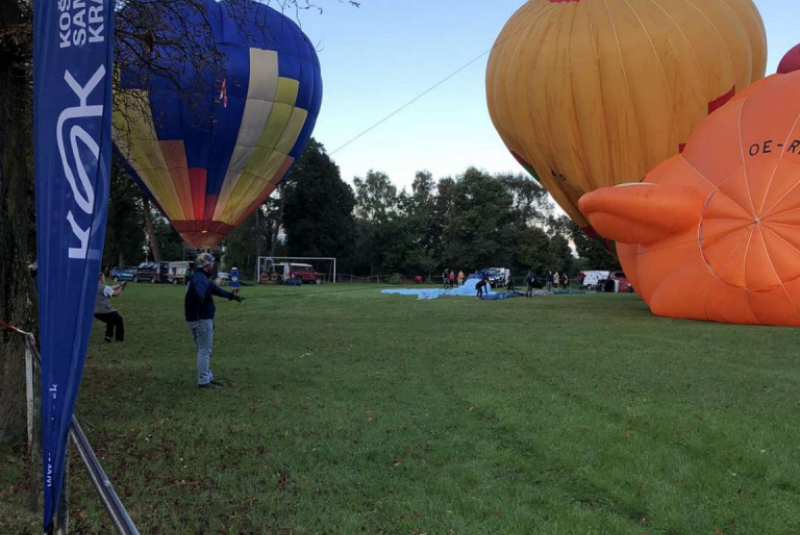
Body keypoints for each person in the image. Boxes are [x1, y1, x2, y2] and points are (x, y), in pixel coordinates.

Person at [185, 253, 244, 389]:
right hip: (201, 319)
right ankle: (204, 381)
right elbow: (199, 295)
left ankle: (208, 377)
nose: (213, 265)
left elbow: (216, 290)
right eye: (211, 263)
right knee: (205, 351)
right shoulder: (201, 279)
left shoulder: (200, 277)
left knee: (204, 350)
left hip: (196, 318)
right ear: (206, 265)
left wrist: (232, 296)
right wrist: (201, 305)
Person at [94, 273, 126, 342]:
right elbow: (115, 294)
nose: (104, 278)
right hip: (104, 310)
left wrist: (119, 284)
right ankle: (119, 338)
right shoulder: (105, 287)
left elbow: (109, 287)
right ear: (101, 278)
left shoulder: (93, 286)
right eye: (103, 277)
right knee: (119, 320)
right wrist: (121, 287)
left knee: (110, 320)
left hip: (95, 312)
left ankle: (108, 336)